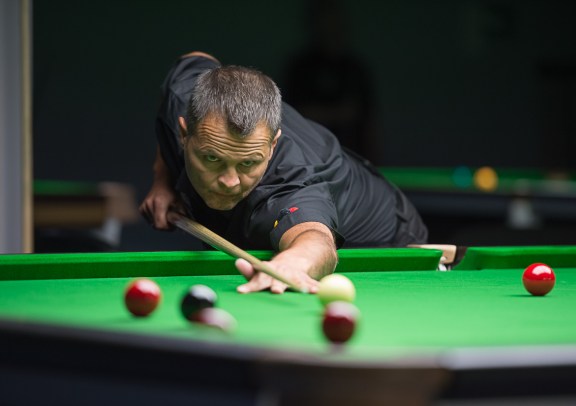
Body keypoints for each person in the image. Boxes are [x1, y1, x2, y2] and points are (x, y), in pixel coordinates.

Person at [140, 51, 428, 295]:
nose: (230, 181)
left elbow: (315, 238)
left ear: (272, 145)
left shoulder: (292, 181)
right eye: (212, 158)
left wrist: (294, 262)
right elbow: (195, 58)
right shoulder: (184, 94)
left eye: (248, 163)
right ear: (184, 134)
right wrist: (162, 179)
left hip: (383, 245)